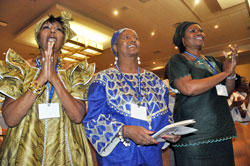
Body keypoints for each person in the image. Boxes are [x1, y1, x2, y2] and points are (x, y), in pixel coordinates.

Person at [0, 11, 94, 165]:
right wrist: (41, 78)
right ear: (38, 37)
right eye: (47, 27)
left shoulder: (73, 72)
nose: (52, 31)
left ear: (63, 40)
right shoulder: (21, 69)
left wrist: (54, 78)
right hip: (26, 155)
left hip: (67, 154)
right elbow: (10, 119)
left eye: (58, 29)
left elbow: (77, 116)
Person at [83, 28, 180, 166]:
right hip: (119, 156)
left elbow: (166, 114)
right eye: (126, 37)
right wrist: (125, 131)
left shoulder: (154, 80)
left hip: (151, 154)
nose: (132, 39)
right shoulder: (103, 79)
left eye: (135, 38)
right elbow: (93, 120)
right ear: (115, 47)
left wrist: (171, 132)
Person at [166, 21, 238, 166]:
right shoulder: (177, 60)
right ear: (183, 40)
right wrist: (224, 73)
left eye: (201, 30)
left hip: (221, 132)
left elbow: (227, 92)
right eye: (193, 31)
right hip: (194, 137)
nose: (199, 33)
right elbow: (188, 88)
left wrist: (231, 73)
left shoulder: (213, 62)